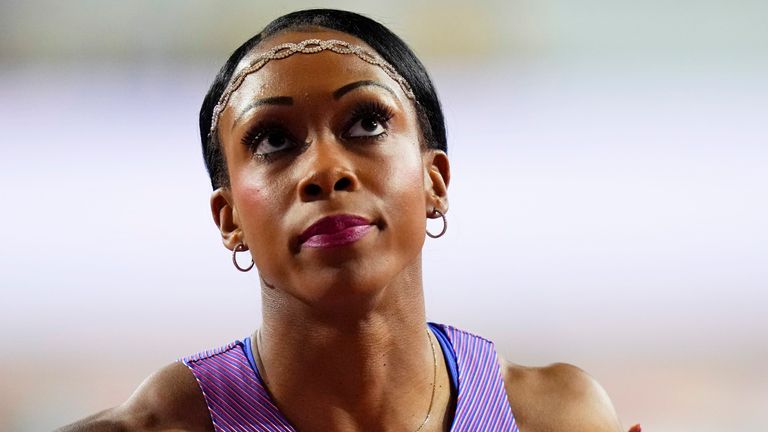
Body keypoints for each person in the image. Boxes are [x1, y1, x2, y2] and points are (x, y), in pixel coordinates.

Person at [58, 9, 641, 432]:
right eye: (274, 140)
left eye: (366, 123)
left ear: (434, 181)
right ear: (228, 215)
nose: (325, 170)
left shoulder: (556, 419)